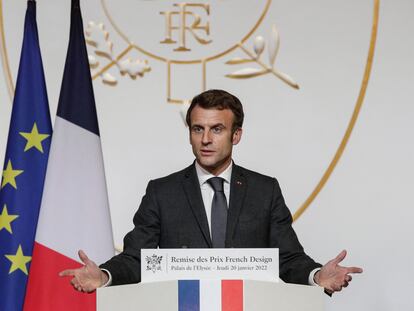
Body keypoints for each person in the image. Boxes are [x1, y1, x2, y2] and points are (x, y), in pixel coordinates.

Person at [60, 89, 362, 294]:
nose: (205, 139)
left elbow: (288, 258)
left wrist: (317, 275)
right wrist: (104, 275)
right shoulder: (162, 192)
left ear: (236, 135)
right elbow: (137, 258)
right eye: (197, 129)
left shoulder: (264, 190)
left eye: (217, 129)